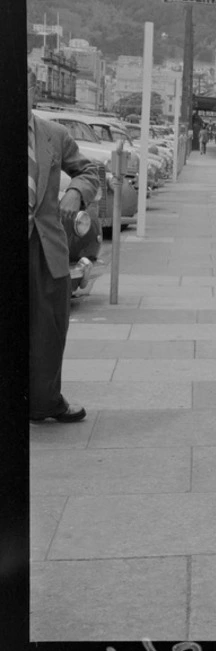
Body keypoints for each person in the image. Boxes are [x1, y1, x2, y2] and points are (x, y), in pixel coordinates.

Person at [27, 68, 101, 423]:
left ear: (33, 90)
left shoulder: (53, 134)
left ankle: (45, 401)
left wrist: (75, 192)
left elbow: (90, 172)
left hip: (45, 248)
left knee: (49, 329)